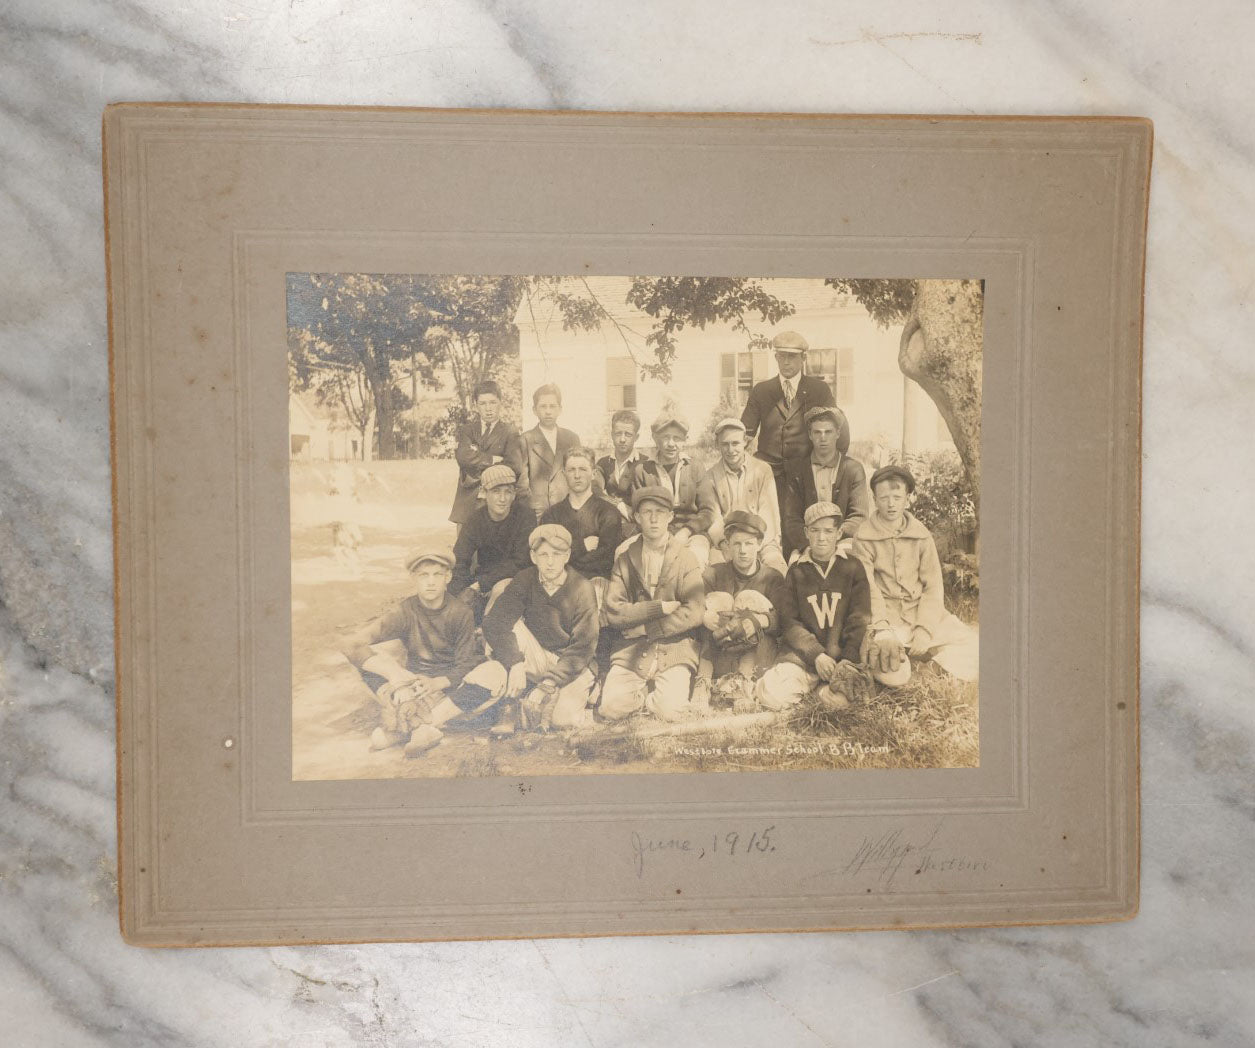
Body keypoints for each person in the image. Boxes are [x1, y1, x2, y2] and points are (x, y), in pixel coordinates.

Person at [341, 546, 486, 757]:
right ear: (413, 578)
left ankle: (410, 727)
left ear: (448, 577)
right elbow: (350, 644)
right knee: (366, 662)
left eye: (437, 575)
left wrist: (438, 682)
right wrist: (396, 677)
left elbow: (465, 664)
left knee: (494, 673)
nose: (430, 582)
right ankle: (421, 727)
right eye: (423, 575)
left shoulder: (460, 612)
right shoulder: (405, 610)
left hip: (447, 690)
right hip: (412, 689)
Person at [465, 524, 601, 736]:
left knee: (563, 721)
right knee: (512, 627)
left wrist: (550, 681)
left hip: (571, 663)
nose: (549, 561)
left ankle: (583, 691)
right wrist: (515, 661)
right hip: (536, 657)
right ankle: (508, 708)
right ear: (533, 556)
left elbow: (584, 647)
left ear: (567, 556)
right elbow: (494, 622)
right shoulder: (526, 579)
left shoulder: (582, 588)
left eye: (556, 554)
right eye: (543, 554)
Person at [853, 465, 979, 683]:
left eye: (897, 497)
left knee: (977, 649)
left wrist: (925, 628)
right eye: (883, 498)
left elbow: (932, 586)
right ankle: (910, 665)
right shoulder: (864, 537)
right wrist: (881, 628)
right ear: (874, 500)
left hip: (920, 610)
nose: (891, 504)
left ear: (907, 498)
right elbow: (867, 588)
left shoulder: (921, 535)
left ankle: (930, 667)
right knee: (892, 674)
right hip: (887, 617)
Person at [756, 502, 883, 710]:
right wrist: (816, 655)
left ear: (840, 532)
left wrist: (848, 658)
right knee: (770, 695)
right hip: (805, 659)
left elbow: (859, 617)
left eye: (828, 531)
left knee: (844, 703)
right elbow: (790, 622)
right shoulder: (796, 572)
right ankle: (812, 689)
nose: (821, 537)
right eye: (815, 531)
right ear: (806, 532)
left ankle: (819, 693)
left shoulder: (853, 567)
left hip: (842, 659)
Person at [599, 486, 705, 722]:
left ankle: (657, 697)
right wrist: (658, 608)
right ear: (637, 517)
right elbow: (614, 611)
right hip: (633, 649)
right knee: (610, 708)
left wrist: (648, 628)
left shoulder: (685, 557)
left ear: (670, 517)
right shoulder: (625, 558)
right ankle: (644, 694)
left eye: (660, 511)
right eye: (647, 512)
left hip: (674, 646)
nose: (654, 519)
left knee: (671, 712)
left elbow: (695, 611)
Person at [691, 510, 785, 709]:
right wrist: (705, 616)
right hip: (720, 650)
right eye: (737, 544)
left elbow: (784, 620)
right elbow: (693, 605)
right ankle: (703, 682)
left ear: (759, 545)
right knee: (721, 601)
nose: (743, 550)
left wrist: (758, 620)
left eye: (749, 544)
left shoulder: (773, 577)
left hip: (758, 656)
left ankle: (743, 684)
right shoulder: (714, 573)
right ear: (727, 546)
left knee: (748, 599)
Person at [740, 331, 836, 514]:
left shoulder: (819, 390)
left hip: (807, 472)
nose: (786, 362)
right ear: (775, 357)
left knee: (806, 523)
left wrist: (829, 465)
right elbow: (745, 433)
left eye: (792, 357)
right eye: (781, 356)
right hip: (768, 473)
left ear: (804, 358)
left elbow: (838, 430)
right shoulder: (761, 390)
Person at [630, 408, 718, 568]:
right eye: (665, 437)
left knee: (695, 559)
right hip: (653, 533)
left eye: (677, 438)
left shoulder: (695, 467)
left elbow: (708, 511)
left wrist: (687, 531)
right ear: (655, 438)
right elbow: (638, 512)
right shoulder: (642, 470)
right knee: (643, 562)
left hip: (693, 533)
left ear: (685, 439)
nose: (671, 444)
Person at [449, 464, 536, 624]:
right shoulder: (475, 520)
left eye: (508, 492)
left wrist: (479, 585)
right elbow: (459, 560)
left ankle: (489, 635)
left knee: (500, 590)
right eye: (496, 491)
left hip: (516, 581)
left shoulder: (526, 517)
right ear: (483, 492)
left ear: (514, 494)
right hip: (484, 581)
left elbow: (521, 562)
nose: (502, 499)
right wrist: (459, 592)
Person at [780, 405, 870, 560]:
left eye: (828, 432)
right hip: (807, 542)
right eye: (817, 432)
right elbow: (792, 519)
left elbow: (859, 516)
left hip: (844, 541)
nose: (823, 438)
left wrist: (833, 540)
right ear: (810, 434)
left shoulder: (853, 469)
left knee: (850, 566)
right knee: (796, 566)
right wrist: (812, 543)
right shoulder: (797, 470)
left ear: (837, 433)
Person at [699, 417, 787, 575]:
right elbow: (714, 518)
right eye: (725, 444)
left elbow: (769, 514)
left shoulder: (762, 470)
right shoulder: (710, 476)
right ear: (718, 445)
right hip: (727, 543)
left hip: (760, 540)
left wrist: (755, 545)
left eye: (735, 443)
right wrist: (727, 546)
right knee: (714, 573)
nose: (730, 450)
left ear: (745, 442)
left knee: (777, 569)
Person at [541, 445, 622, 604]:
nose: (577, 475)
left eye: (583, 469)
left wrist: (565, 553)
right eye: (571, 470)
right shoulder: (551, 515)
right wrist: (582, 546)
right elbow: (546, 556)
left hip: (595, 583)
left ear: (593, 473)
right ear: (564, 474)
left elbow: (606, 559)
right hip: (558, 583)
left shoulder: (608, 513)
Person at [449, 379, 524, 528]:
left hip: (495, 504)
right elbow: (463, 457)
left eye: (492, 402)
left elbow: (514, 466)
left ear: (500, 403)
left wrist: (476, 463)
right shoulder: (467, 430)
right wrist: (492, 460)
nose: (488, 408)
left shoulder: (510, 432)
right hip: (467, 502)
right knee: (465, 549)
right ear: (476, 406)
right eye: (483, 404)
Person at [518, 383, 581, 515]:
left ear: (560, 409)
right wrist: (532, 509)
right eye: (543, 406)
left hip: (568, 509)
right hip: (537, 512)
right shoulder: (526, 440)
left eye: (552, 406)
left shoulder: (571, 439)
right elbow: (522, 484)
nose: (548, 411)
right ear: (534, 410)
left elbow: (578, 476)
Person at [594, 408, 649, 530]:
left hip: (637, 526)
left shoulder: (646, 464)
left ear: (636, 437)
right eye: (618, 433)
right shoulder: (603, 463)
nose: (622, 439)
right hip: (608, 524)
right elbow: (594, 489)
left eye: (628, 434)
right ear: (612, 435)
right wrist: (618, 504)